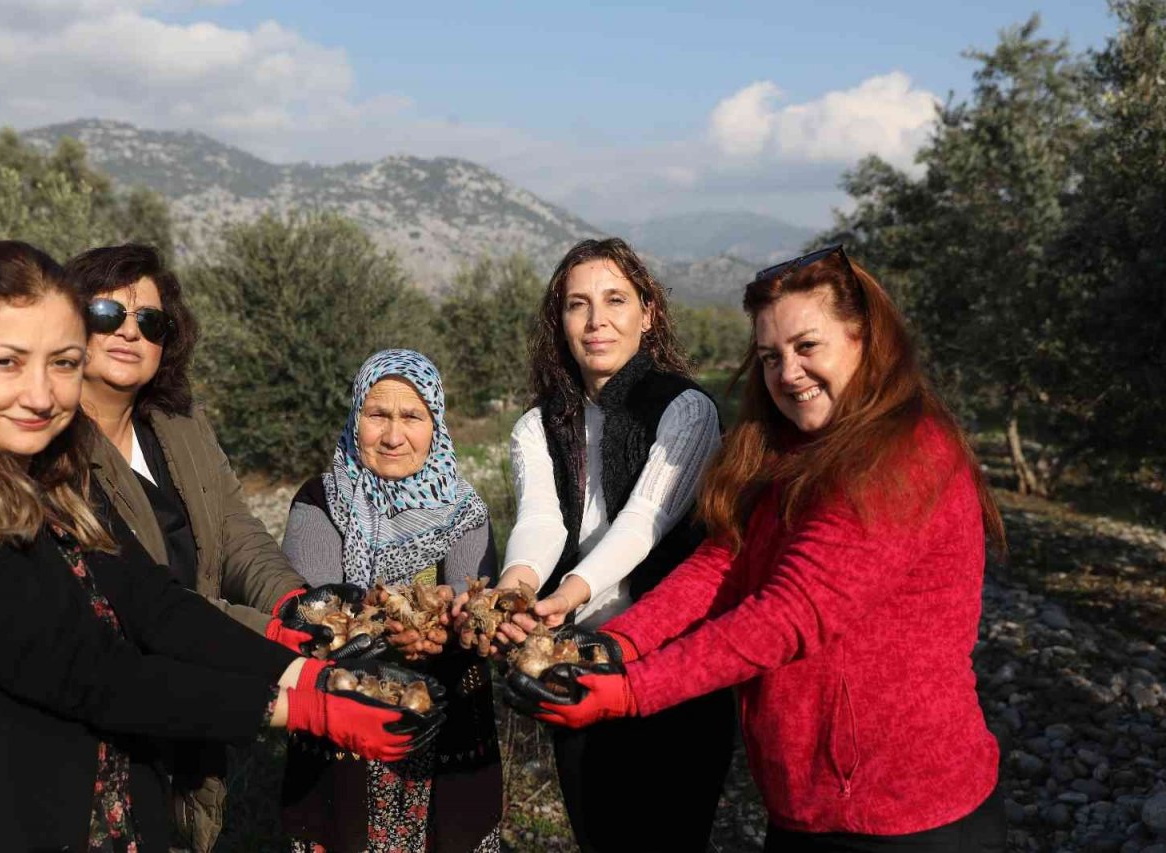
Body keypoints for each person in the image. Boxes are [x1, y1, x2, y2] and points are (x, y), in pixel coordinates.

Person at [0, 241, 440, 853]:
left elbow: (153, 600)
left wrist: (307, 670)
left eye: (62, 363)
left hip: (109, 808)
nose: (41, 394)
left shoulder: (44, 478)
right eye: (6, 363)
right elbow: (94, 671)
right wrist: (303, 708)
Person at [506, 245, 1008, 852]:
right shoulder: (792, 447)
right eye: (770, 356)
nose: (788, 373)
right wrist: (617, 645)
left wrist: (632, 690)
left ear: (865, 338)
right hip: (809, 799)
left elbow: (786, 615)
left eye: (807, 347)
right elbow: (724, 562)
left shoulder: (902, 458)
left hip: (902, 808)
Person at [456, 237, 736, 852]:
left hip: (673, 657)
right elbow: (542, 521)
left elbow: (645, 522)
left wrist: (570, 592)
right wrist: (515, 590)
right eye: (578, 304)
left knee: (671, 835)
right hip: (576, 658)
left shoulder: (685, 410)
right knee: (599, 831)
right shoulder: (539, 423)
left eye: (615, 300)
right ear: (560, 321)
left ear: (648, 312)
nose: (597, 320)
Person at [65, 243, 320, 851]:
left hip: (202, 696)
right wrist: (279, 647)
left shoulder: (178, 425)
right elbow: (151, 605)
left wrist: (295, 607)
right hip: (115, 718)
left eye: (149, 321)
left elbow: (234, 530)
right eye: (107, 314)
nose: (130, 332)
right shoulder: (54, 448)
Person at [280, 348, 502, 853]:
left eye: (412, 417)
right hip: (345, 720)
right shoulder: (321, 501)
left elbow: (475, 604)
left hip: (447, 725)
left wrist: (445, 627)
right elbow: (316, 615)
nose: (394, 435)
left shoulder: (464, 510)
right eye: (378, 414)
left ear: (436, 424)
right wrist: (399, 625)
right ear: (356, 417)